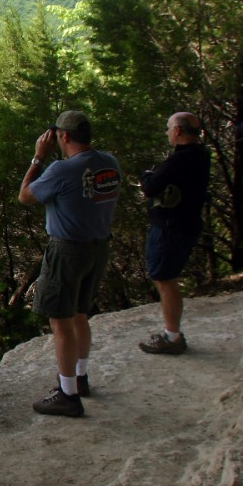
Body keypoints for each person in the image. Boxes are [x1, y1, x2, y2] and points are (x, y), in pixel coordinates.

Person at [19, 110, 121, 416]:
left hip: (67, 251)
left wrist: (38, 158)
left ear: (63, 136)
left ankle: (67, 394)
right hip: (98, 247)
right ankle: (80, 377)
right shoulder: (109, 163)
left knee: (60, 322)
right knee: (80, 314)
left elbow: (25, 196)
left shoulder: (62, 170)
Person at [138, 112, 210, 355]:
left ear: (178, 131)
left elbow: (150, 187)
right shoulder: (200, 155)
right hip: (186, 224)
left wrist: (147, 175)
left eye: (169, 128)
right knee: (167, 278)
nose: (167, 132)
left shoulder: (180, 160)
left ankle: (172, 336)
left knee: (165, 279)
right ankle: (173, 332)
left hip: (170, 228)